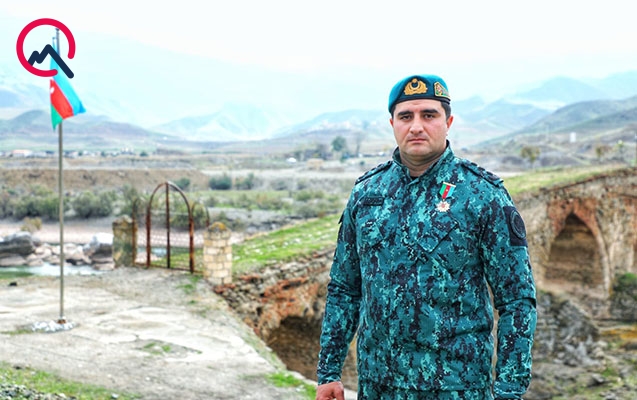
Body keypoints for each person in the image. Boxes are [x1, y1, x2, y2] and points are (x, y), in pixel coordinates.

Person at [316, 74, 537, 400]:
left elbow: (516, 300)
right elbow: (345, 289)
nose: (416, 126)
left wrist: (509, 391)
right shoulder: (367, 193)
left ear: (448, 122)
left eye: (429, 115)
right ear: (392, 124)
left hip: (456, 387)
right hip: (378, 385)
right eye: (406, 116)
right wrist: (329, 372)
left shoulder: (482, 194)